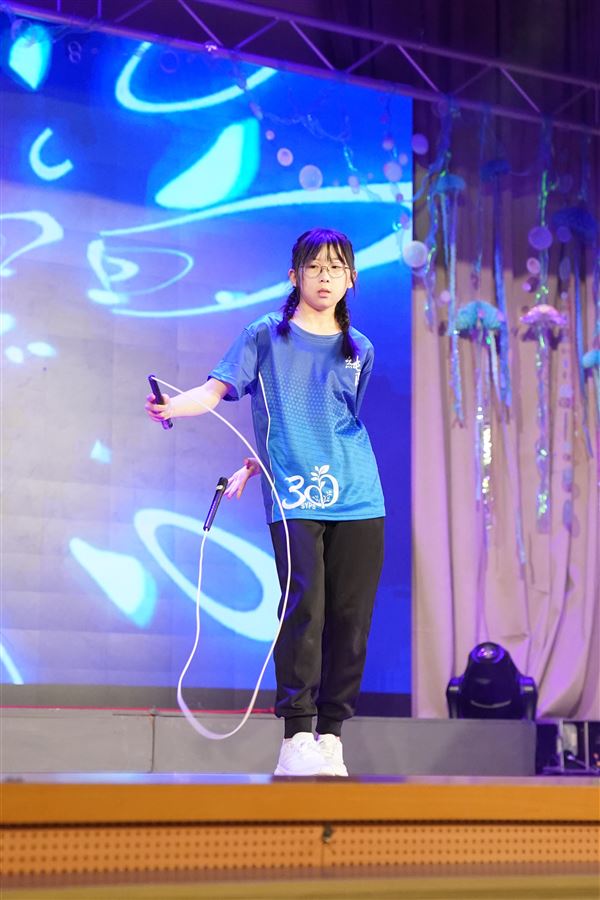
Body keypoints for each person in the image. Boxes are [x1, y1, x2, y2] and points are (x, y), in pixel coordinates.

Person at [145, 227, 385, 776]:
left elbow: (336, 422)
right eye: (314, 266)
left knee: (351, 621)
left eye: (336, 267)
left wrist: (255, 462)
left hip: (360, 497)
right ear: (293, 275)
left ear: (351, 278)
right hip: (295, 498)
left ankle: (331, 736)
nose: (325, 276)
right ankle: (297, 734)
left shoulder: (361, 349)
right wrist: (173, 407)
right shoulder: (264, 336)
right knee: (304, 609)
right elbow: (214, 391)